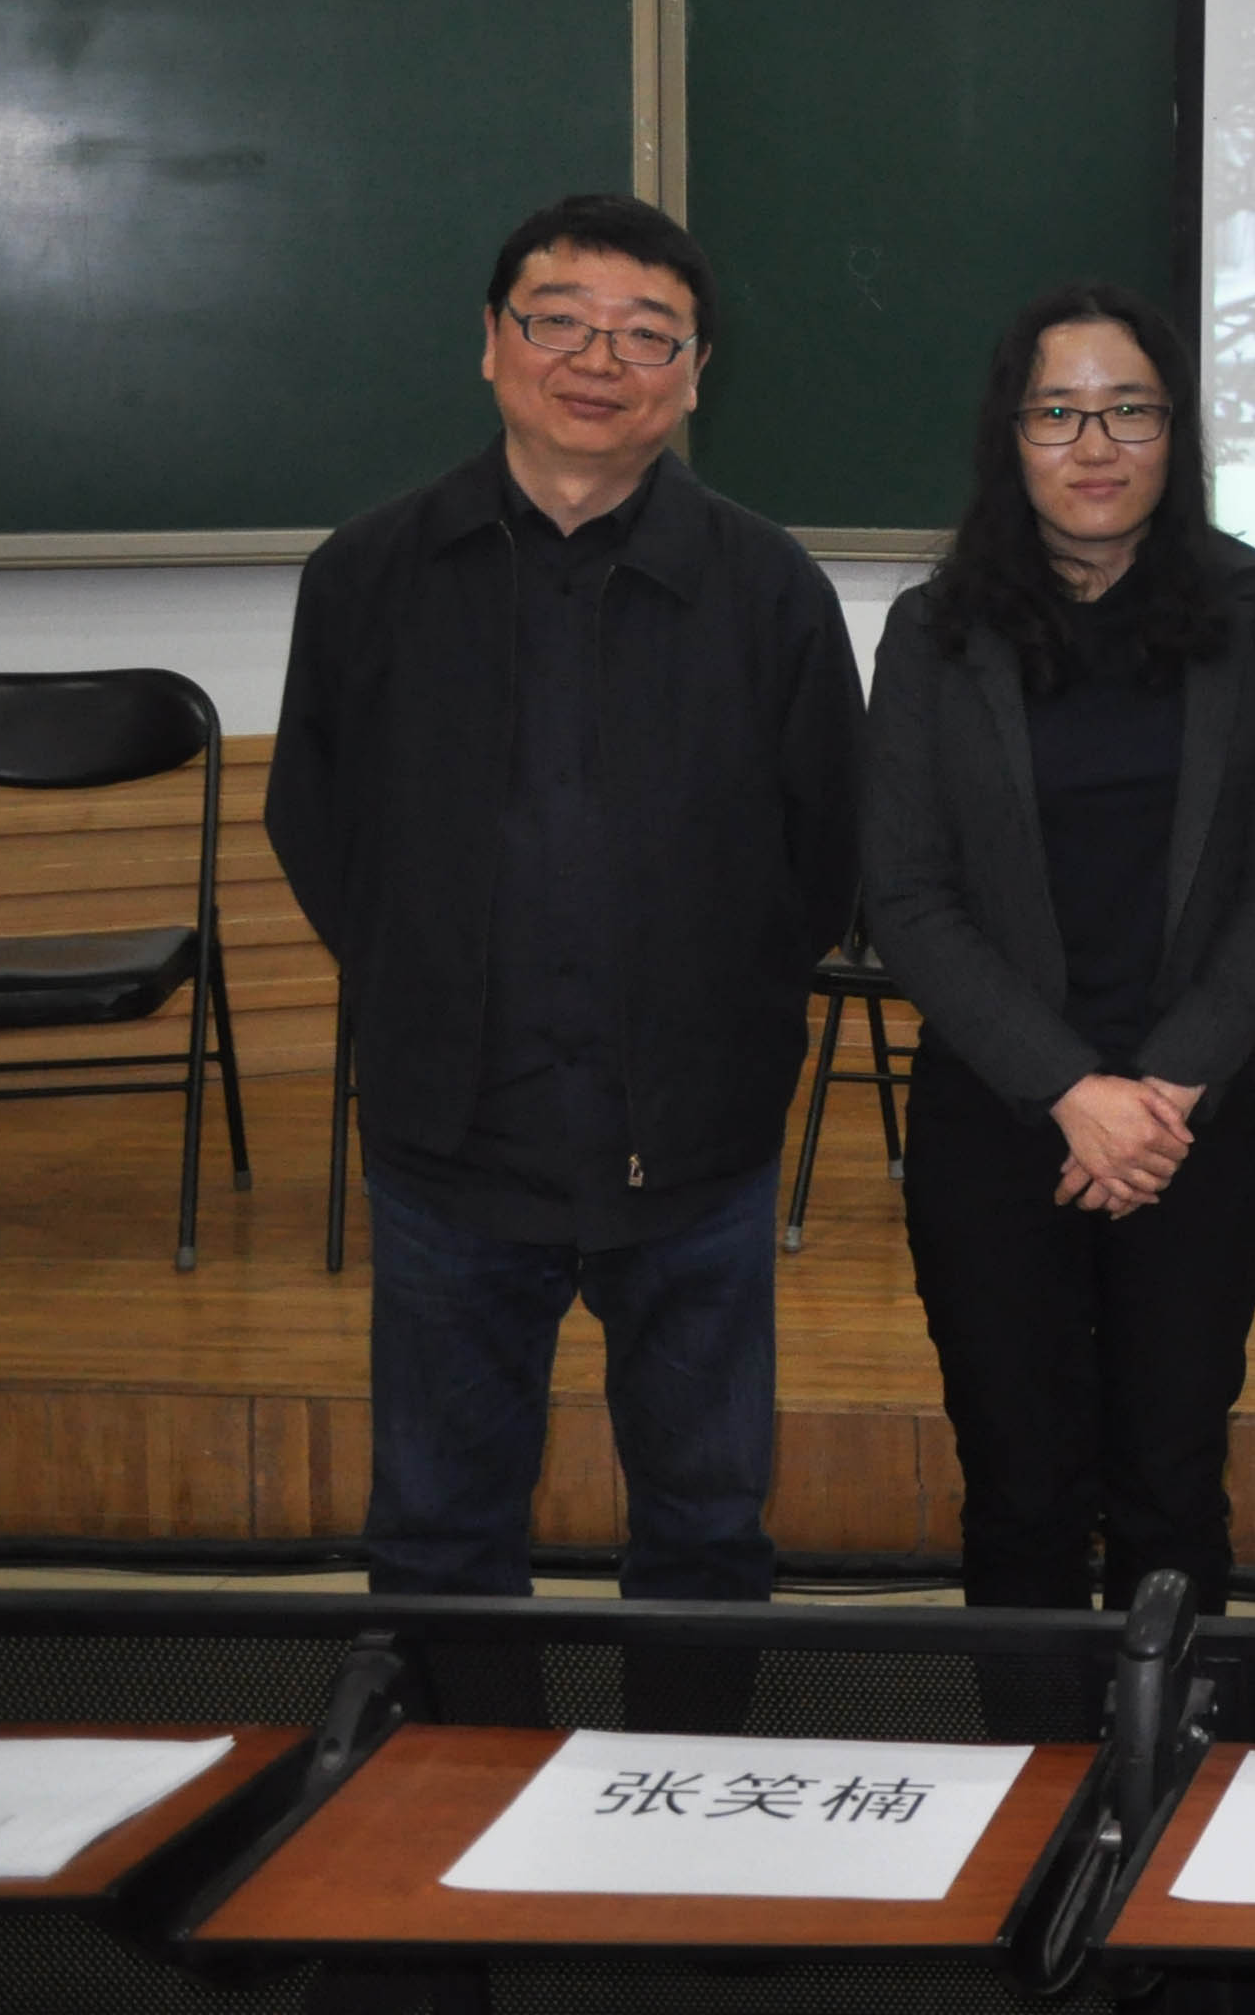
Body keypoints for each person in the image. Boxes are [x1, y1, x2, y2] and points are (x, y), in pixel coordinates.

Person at [269, 193, 861, 1600]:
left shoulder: (768, 588)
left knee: (708, 1529)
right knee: (436, 1532)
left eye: (648, 335)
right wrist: (428, 982)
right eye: (560, 322)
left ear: (695, 375)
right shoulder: (369, 575)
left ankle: (688, 1751)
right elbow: (318, 825)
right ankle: (453, 1753)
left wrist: (716, 1018)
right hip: (450, 1146)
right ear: (492, 341)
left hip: (696, 1148)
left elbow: (825, 849)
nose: (599, 361)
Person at [859, 284, 1255, 1616]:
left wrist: (1160, 1093)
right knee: (1020, 1489)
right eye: (1057, 413)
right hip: (999, 1118)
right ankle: (1035, 1751)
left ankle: (1175, 1749)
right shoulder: (936, 632)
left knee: (1175, 1484)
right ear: (1010, 437)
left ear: (1176, 433)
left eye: (1131, 411)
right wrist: (1071, 1091)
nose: (1096, 444)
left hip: (1197, 1121)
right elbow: (905, 893)